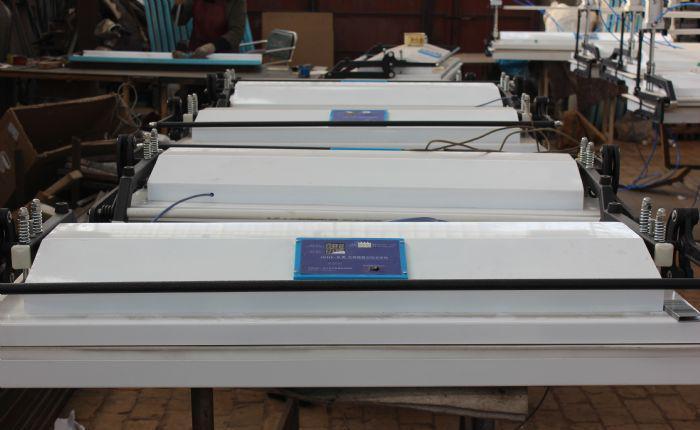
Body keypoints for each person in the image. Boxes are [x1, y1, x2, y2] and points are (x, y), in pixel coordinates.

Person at [173, 0, 247, 58]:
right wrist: (178, 5)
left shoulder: (236, 1)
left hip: (225, 56)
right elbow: (179, 21)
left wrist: (213, 46)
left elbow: (237, 32)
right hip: (195, 53)